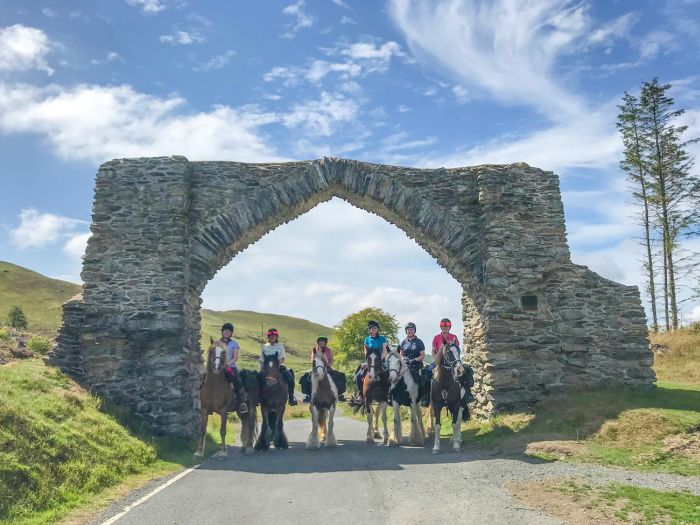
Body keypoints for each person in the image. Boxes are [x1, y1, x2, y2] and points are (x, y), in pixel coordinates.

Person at [423, 318, 474, 419]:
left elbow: (457, 350)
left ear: (449, 327)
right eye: (443, 327)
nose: (445, 328)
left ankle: (468, 394)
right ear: (441, 327)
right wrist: (436, 359)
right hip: (439, 362)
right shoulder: (436, 338)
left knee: (465, 371)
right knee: (426, 373)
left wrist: (456, 362)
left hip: (453, 362)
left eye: (447, 327)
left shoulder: (454, 337)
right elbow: (433, 351)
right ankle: (426, 397)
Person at [300, 335, 346, 403]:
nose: (322, 343)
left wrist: (328, 365)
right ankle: (308, 395)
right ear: (318, 343)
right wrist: (317, 365)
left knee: (339, 376)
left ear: (325, 343)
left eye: (323, 342)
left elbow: (331, 360)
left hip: (327, 367)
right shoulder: (315, 350)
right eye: (320, 342)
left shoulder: (328, 350)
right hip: (316, 368)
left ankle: (339, 394)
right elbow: (312, 359)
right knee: (306, 378)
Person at [260, 327, 297, 406]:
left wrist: (275, 365)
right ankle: (257, 398)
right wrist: (262, 368)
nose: (272, 337)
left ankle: (291, 398)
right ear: (268, 337)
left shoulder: (280, 346)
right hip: (267, 369)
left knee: (290, 379)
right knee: (256, 379)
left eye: (274, 336)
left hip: (279, 368)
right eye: (270, 336)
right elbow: (262, 360)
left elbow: (282, 359)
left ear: (276, 337)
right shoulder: (264, 346)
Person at [353, 320, 389, 401]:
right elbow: (366, 351)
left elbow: (384, 350)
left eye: (375, 328)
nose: (373, 329)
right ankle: (360, 394)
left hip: (381, 360)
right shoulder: (367, 339)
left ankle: (389, 394)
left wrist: (380, 359)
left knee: (390, 374)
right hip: (370, 361)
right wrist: (368, 360)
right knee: (359, 375)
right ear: (370, 330)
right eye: (372, 328)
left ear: (378, 329)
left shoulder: (382, 338)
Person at [220, 322, 249, 414]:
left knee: (239, 382)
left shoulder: (234, 344)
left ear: (231, 333)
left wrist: (227, 364)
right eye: (225, 331)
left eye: (229, 331)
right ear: (222, 332)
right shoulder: (217, 343)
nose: (227, 332)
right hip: (219, 367)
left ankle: (242, 403)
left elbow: (235, 357)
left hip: (231, 367)